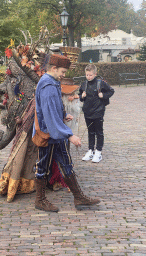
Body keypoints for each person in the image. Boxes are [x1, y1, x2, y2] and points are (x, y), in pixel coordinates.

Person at [32, 54, 100, 212]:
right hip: (47, 134)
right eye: (62, 72)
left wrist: (62, 115)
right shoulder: (47, 86)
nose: (64, 75)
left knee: (66, 164)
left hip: (56, 133)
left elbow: (54, 107)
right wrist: (69, 135)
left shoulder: (53, 81)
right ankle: (39, 200)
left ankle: (79, 197)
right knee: (42, 166)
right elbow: (48, 116)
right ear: (53, 68)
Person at [79, 64, 114, 163]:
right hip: (87, 111)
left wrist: (103, 95)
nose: (88, 77)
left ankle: (98, 151)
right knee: (90, 131)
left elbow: (111, 91)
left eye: (90, 75)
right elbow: (80, 96)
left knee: (99, 131)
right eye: (87, 75)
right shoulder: (84, 84)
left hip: (98, 111)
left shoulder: (101, 83)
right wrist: (82, 96)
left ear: (95, 74)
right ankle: (90, 150)